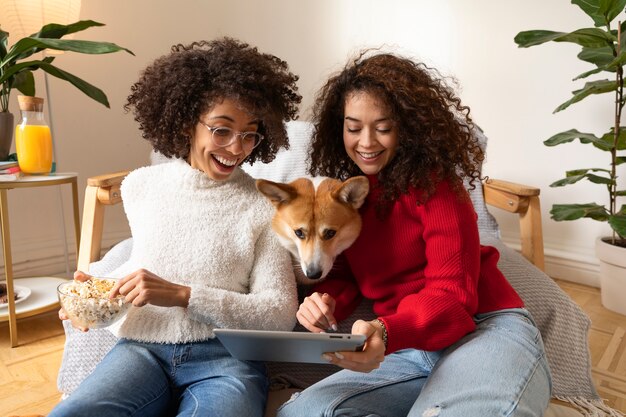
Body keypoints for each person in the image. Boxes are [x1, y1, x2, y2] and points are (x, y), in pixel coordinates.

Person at [277, 51, 552, 417]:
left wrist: (387, 331)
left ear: (408, 125)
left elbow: (453, 296)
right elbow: (348, 273)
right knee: (304, 412)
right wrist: (323, 302)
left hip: (481, 327)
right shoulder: (346, 199)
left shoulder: (436, 186)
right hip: (407, 348)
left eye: (384, 127)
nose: (367, 142)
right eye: (354, 127)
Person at [49, 37, 301, 417]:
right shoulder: (140, 185)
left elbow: (280, 312)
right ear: (186, 123)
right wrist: (98, 293)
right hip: (140, 350)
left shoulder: (263, 206)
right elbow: (149, 258)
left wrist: (185, 295)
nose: (237, 147)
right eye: (222, 130)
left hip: (226, 359)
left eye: (250, 133)